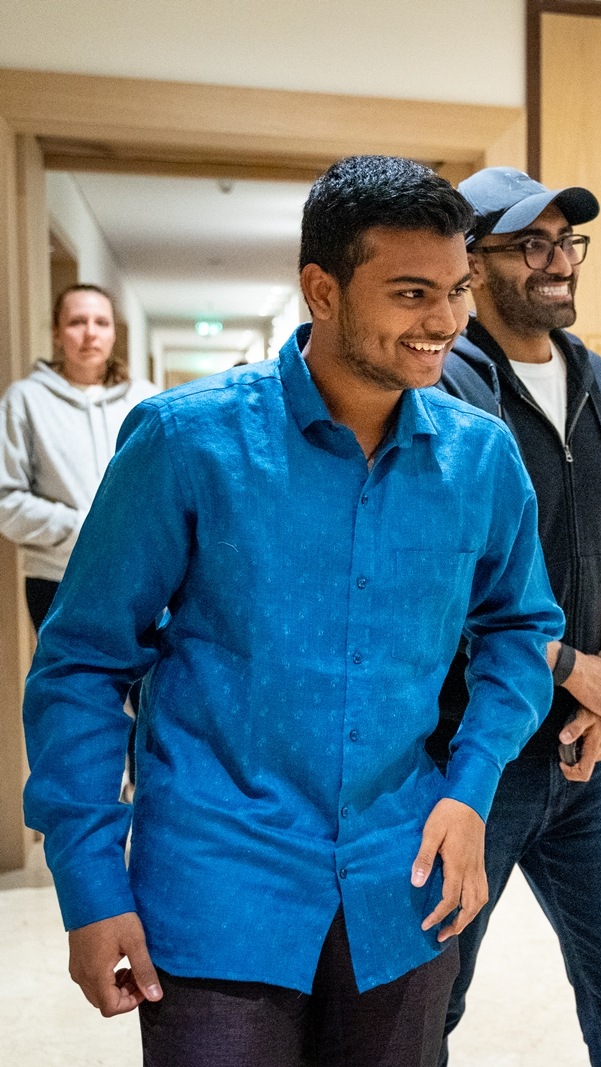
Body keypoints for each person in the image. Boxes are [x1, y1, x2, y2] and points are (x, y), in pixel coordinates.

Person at [22, 155, 565, 1067]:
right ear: (322, 289)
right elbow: (81, 661)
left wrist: (471, 788)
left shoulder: (482, 458)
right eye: (411, 292)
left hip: (405, 883)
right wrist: (89, 879)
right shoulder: (186, 441)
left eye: (457, 290)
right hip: (217, 889)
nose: (446, 321)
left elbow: (520, 628)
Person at [433, 167, 601, 1067]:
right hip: (473, 754)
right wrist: (572, 667)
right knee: (432, 998)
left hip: (586, 756)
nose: (559, 261)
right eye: (531, 244)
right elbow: (445, 583)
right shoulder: (445, 391)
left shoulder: (599, 382)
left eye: (566, 242)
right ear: (472, 263)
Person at [0, 283, 158, 631]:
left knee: (144, 668)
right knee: (67, 669)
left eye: (101, 322)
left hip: (137, 576)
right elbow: (5, 499)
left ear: (113, 333)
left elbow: (165, 489)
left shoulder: (146, 400)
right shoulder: (25, 400)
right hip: (57, 580)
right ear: (57, 333)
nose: (90, 333)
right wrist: (82, 528)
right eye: (76, 322)